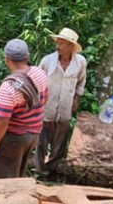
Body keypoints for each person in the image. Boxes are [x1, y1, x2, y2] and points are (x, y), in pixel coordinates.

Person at [0, 38, 48, 179]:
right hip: (33, 135)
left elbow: (2, 120)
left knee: (2, 181)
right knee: (17, 176)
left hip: (14, 139)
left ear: (6, 59)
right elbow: (45, 99)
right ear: (27, 56)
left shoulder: (8, 87)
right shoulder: (39, 73)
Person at [35, 28, 87, 178]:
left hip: (65, 107)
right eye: (57, 42)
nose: (58, 46)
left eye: (62, 43)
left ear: (71, 45)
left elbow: (81, 82)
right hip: (47, 107)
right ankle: (40, 170)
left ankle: (52, 170)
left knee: (60, 142)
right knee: (42, 141)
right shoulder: (47, 61)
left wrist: (76, 99)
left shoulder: (80, 62)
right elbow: (37, 81)